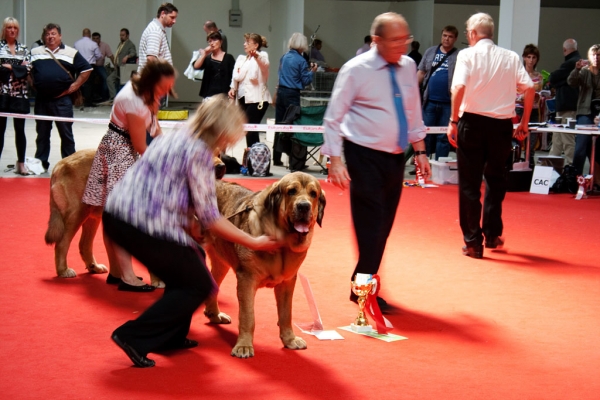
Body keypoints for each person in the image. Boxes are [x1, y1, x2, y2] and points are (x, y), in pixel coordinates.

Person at [104, 95, 281, 367]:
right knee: (199, 284)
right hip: (139, 222)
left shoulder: (182, 133)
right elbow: (212, 218)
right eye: (229, 135)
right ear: (221, 131)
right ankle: (133, 336)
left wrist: (189, 223)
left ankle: (171, 336)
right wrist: (253, 242)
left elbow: (172, 186)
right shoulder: (199, 153)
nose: (228, 142)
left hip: (120, 213)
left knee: (193, 258)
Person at [322, 12, 430, 310]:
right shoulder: (355, 70)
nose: (403, 46)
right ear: (376, 40)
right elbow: (333, 117)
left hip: (396, 157)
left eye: (406, 39)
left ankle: (361, 283)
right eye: (396, 40)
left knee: (384, 224)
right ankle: (363, 289)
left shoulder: (408, 67)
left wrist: (419, 151)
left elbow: (412, 111)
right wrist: (335, 159)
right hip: (363, 154)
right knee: (370, 222)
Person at [82, 59, 175, 292]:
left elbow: (154, 128)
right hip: (118, 151)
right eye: (163, 87)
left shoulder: (146, 92)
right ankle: (127, 277)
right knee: (121, 218)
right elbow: (142, 145)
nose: (166, 93)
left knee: (114, 216)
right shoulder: (134, 101)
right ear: (152, 81)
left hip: (123, 149)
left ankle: (116, 272)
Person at [447, 12, 534, 259]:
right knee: (496, 180)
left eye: (466, 33)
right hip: (501, 127)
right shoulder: (510, 56)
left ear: (473, 34)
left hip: (472, 123)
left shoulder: (466, 55)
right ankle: (492, 233)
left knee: (469, 184)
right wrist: (524, 122)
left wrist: (453, 121)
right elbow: (529, 88)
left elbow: (459, 88)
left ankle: (473, 242)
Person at [30, 23, 92, 172]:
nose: (50, 37)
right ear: (44, 37)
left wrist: (75, 86)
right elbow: (27, 70)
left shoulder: (71, 52)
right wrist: (34, 84)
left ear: (60, 36)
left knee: (66, 135)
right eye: (47, 34)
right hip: (42, 100)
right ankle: (41, 164)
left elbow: (87, 69)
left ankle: (70, 167)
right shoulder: (35, 52)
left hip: (62, 101)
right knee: (42, 134)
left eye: (53, 34)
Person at [273, 32, 317, 168]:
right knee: (292, 126)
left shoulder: (283, 57)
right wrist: (312, 72)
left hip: (281, 92)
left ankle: (276, 157)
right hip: (292, 94)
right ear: (302, 46)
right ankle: (294, 160)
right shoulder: (301, 60)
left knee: (279, 124)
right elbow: (304, 81)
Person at [417, 25, 459, 160]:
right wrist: (410, 91)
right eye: (445, 36)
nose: (446, 39)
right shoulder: (430, 52)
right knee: (426, 134)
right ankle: (423, 163)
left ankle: (441, 164)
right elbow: (421, 72)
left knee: (443, 136)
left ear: (455, 39)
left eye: (450, 36)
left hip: (448, 103)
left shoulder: (459, 55)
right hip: (429, 100)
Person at [228, 33, 272, 148]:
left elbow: (265, 65)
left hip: (258, 99)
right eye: (245, 42)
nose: (244, 44)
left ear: (256, 45)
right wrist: (233, 88)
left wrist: (256, 56)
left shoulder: (262, 55)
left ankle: (255, 157)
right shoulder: (242, 59)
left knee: (250, 127)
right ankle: (252, 155)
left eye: (248, 42)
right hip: (243, 98)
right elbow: (235, 75)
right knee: (248, 129)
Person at [0, 17, 31, 175]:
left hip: (20, 94)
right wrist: (17, 68)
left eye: (15, 28)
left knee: (20, 130)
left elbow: (28, 70)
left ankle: (21, 163)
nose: (12, 30)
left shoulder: (24, 49)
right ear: (4, 29)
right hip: (2, 93)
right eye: (9, 27)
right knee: (0, 130)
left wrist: (8, 66)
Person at [568, 44, 600, 176]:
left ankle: (596, 180)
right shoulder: (584, 71)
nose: (596, 57)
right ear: (589, 57)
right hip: (585, 112)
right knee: (580, 147)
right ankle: (575, 178)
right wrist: (576, 69)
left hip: (599, 113)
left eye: (599, 55)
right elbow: (571, 82)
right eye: (594, 55)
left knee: (597, 150)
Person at [548, 39, 580, 165]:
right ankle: (549, 169)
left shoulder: (570, 63)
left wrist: (558, 82)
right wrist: (563, 81)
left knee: (567, 140)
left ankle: (571, 170)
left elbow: (553, 78)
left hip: (568, 106)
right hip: (564, 107)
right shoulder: (576, 61)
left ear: (564, 50)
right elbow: (561, 80)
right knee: (557, 141)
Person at [516, 44, 543, 164]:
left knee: (531, 142)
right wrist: (523, 97)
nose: (531, 60)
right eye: (529, 57)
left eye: (534, 57)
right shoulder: (518, 73)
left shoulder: (539, 76)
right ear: (524, 58)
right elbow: (514, 93)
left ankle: (529, 166)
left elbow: (539, 94)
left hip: (533, 109)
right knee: (517, 140)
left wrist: (539, 96)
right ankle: (515, 164)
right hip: (520, 109)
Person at [193, 31, 235, 101]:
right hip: (209, 94)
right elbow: (196, 66)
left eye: (215, 40)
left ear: (221, 42)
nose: (212, 43)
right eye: (210, 41)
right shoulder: (207, 58)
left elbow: (234, 75)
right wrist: (204, 54)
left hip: (223, 94)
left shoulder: (228, 58)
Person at [138, 2, 177, 72]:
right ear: (163, 14)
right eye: (172, 17)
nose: (174, 21)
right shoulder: (155, 31)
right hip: (151, 79)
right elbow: (151, 58)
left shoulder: (157, 29)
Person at [106, 28, 137, 102]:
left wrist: (127, 56)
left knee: (121, 84)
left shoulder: (130, 44)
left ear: (127, 36)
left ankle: (121, 99)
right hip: (117, 67)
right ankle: (114, 97)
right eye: (120, 35)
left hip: (123, 68)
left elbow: (133, 53)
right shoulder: (120, 44)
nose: (121, 37)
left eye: (123, 35)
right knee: (109, 79)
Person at [74, 28, 101, 108]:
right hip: (90, 66)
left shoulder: (77, 43)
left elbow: (74, 54)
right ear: (89, 34)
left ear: (83, 34)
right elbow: (99, 55)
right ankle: (88, 102)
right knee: (89, 84)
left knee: (79, 83)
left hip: (79, 66)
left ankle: (79, 100)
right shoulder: (93, 44)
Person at [91, 32, 113, 102]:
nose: (95, 40)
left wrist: (115, 65)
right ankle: (90, 97)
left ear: (100, 39)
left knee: (106, 78)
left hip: (100, 66)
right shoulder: (89, 45)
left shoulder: (105, 45)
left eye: (97, 38)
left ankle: (104, 97)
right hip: (91, 66)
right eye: (94, 38)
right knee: (88, 79)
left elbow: (111, 56)